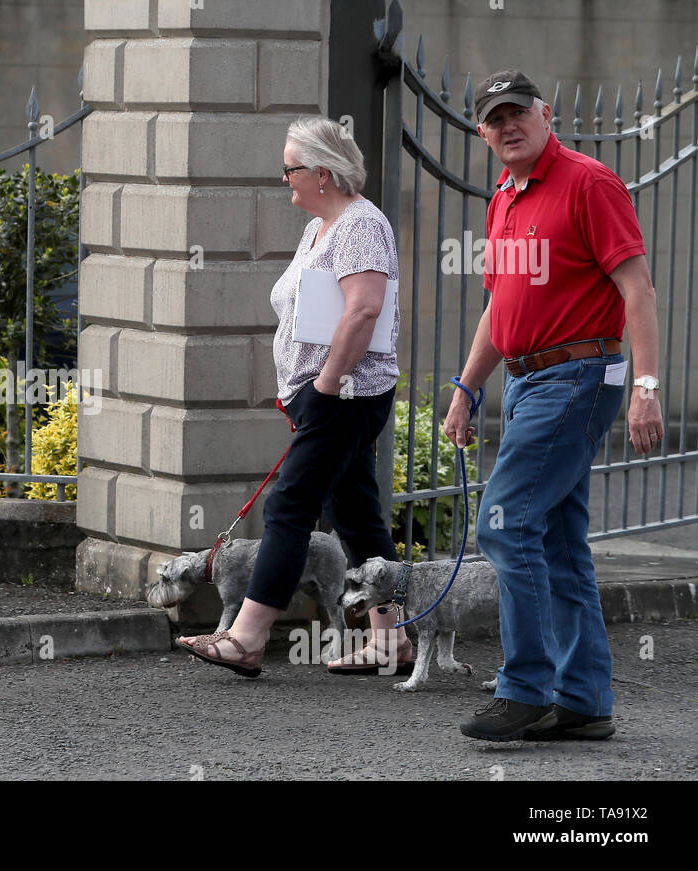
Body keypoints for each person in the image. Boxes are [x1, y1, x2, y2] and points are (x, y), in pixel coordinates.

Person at [445, 70, 663, 741]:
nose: (507, 126)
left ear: (546, 115)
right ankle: (584, 697)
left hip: (579, 375)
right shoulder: (503, 199)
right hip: (528, 382)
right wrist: (465, 387)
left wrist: (648, 388)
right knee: (559, 540)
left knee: (505, 523)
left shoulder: (589, 182)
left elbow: (639, 291)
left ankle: (525, 686)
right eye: (494, 119)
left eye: (518, 113)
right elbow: (498, 306)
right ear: (483, 132)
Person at [176, 114, 410, 677]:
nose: (285, 179)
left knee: (289, 505)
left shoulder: (360, 225)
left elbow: (365, 309)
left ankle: (246, 638)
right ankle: (392, 641)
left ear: (323, 173)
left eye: (291, 169)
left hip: (346, 393)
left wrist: (326, 384)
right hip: (322, 394)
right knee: (356, 517)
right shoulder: (320, 228)